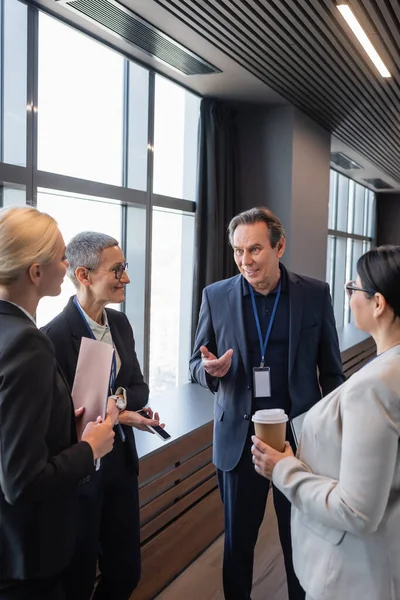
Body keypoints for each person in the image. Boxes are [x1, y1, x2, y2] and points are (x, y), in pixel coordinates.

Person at [190, 207, 344, 600]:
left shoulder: (314, 293)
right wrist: (211, 371)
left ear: (280, 246)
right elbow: (196, 364)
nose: (245, 260)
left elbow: (331, 372)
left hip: (299, 439)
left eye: (255, 249)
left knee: (300, 541)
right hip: (239, 441)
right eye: (238, 251)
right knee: (238, 544)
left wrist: (335, 434)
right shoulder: (217, 295)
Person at [251, 245, 400, 600]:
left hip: (355, 573)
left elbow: (357, 510)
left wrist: (284, 469)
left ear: (377, 303)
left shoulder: (375, 386)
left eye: (354, 289)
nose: (349, 298)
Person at [0, 207, 115, 600]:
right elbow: (22, 480)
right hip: (26, 558)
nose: (68, 266)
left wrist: (61, 418)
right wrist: (89, 448)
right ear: (36, 273)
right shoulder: (27, 342)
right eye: (63, 257)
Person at [42, 231, 161, 600]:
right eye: (118, 269)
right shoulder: (52, 338)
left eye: (125, 268)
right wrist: (118, 413)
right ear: (84, 275)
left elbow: (138, 388)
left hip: (120, 467)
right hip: (79, 476)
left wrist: (119, 405)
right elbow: (55, 419)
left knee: (126, 573)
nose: (126, 278)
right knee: (77, 580)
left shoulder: (121, 325)